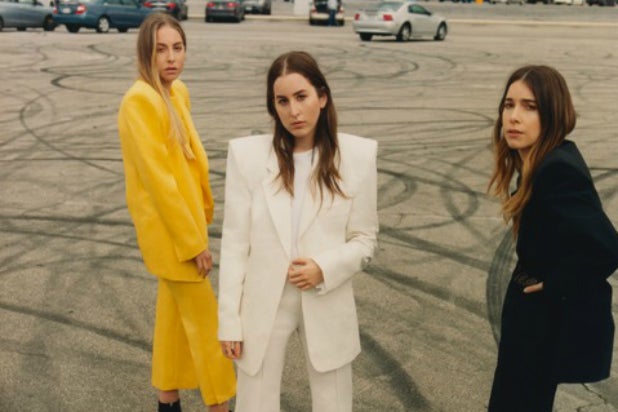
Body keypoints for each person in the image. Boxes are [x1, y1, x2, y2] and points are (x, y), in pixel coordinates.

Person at [217, 50, 379, 412]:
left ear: (322, 97)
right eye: (282, 101)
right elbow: (235, 243)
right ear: (273, 107)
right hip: (263, 301)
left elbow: (365, 239)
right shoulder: (247, 157)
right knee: (255, 402)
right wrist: (229, 321)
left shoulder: (357, 156)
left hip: (326, 294)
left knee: (333, 403)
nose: (294, 111)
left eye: (301, 97)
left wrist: (324, 267)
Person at [117, 12, 236, 412]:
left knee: (171, 320)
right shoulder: (139, 101)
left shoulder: (176, 91)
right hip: (171, 234)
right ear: (145, 54)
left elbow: (187, 160)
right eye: (161, 50)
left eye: (178, 48)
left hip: (185, 225)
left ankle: (166, 400)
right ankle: (220, 405)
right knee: (207, 325)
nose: (171, 58)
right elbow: (159, 182)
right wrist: (192, 243)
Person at [487, 65, 618, 411]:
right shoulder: (543, 160)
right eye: (509, 105)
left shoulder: (555, 169)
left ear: (553, 113)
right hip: (533, 320)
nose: (514, 117)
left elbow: (606, 247)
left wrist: (556, 284)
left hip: (541, 323)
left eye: (530, 107)